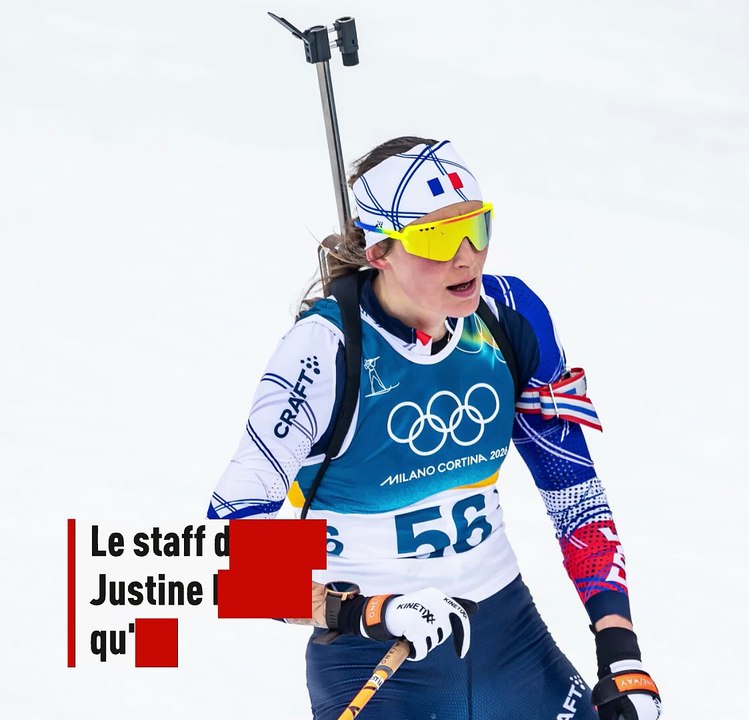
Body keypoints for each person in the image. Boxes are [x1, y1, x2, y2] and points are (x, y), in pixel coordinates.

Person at [207, 136, 662, 720]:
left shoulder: (507, 316)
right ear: (379, 253)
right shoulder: (324, 349)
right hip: (376, 656)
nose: (467, 256)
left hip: (508, 638)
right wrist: (369, 611)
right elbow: (237, 557)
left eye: (478, 228)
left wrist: (620, 651)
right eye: (438, 239)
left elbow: (574, 496)